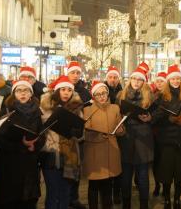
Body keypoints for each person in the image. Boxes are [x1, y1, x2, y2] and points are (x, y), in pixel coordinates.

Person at [0, 79, 45, 209]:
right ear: (14, 94)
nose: (22, 93)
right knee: (9, 201)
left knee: (27, 201)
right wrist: (20, 145)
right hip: (9, 163)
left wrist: (35, 145)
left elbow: (42, 134)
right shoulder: (7, 110)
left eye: (26, 90)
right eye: (19, 90)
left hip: (29, 163)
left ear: (31, 94)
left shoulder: (37, 112)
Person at [153, 65, 181, 209]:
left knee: (180, 173)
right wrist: (168, 119)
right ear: (168, 80)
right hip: (166, 141)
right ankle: (166, 200)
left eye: (178, 78)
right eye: (173, 78)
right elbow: (155, 118)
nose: (176, 81)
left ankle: (177, 200)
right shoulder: (161, 96)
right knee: (166, 173)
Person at [39, 76, 84, 209]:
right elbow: (39, 131)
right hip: (51, 154)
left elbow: (82, 134)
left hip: (70, 156)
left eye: (69, 90)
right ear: (57, 91)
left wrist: (77, 134)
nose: (66, 93)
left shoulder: (77, 109)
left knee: (65, 193)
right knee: (53, 193)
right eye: (63, 89)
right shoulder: (44, 109)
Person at [116, 67, 155, 209]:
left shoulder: (149, 95)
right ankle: (126, 204)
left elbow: (156, 114)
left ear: (144, 81)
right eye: (134, 78)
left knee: (143, 176)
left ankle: (144, 204)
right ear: (130, 79)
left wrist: (151, 117)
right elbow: (116, 114)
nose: (136, 82)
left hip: (143, 138)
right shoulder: (121, 95)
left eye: (140, 79)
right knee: (126, 175)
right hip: (126, 138)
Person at [83, 81, 125, 209]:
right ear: (93, 96)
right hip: (94, 153)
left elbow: (121, 127)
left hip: (111, 151)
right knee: (94, 186)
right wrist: (97, 136)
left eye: (104, 93)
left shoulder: (115, 108)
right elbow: (85, 132)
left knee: (108, 186)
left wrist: (121, 131)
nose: (102, 96)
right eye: (98, 94)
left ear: (107, 94)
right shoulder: (87, 110)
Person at [65, 61, 90, 209]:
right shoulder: (61, 89)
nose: (75, 76)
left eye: (77, 73)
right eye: (72, 72)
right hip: (62, 137)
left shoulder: (84, 92)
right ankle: (64, 198)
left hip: (78, 136)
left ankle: (74, 198)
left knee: (76, 169)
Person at [103, 66, 123, 204]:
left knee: (117, 164)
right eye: (110, 77)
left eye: (115, 77)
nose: (113, 80)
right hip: (105, 132)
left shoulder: (123, 92)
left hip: (119, 132)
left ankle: (116, 192)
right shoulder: (102, 91)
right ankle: (107, 194)